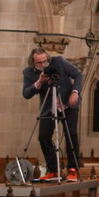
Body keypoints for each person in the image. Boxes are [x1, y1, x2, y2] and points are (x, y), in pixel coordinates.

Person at [22, 47, 83, 181]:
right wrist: (39, 82)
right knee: (43, 136)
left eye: (45, 61)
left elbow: (78, 75)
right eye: (39, 63)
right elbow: (26, 93)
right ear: (33, 63)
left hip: (68, 104)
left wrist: (75, 92)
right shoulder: (29, 73)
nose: (43, 64)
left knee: (71, 134)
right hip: (49, 108)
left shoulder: (58, 62)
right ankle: (54, 169)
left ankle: (73, 169)